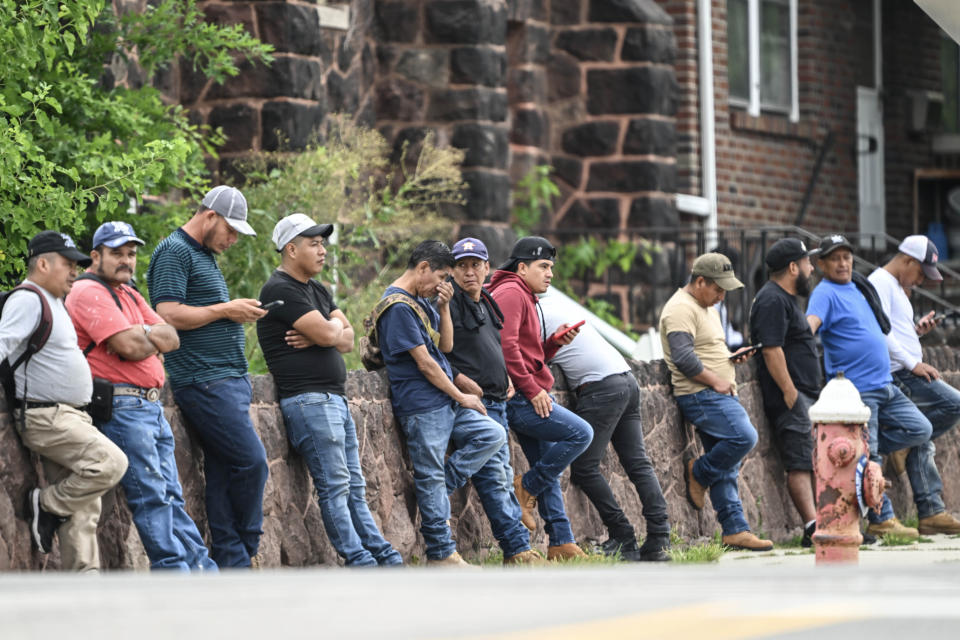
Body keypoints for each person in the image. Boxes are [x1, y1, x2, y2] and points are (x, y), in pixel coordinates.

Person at [66, 221, 217, 571]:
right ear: (95, 255)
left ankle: (203, 572)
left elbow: (173, 337)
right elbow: (130, 346)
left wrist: (147, 331)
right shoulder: (89, 292)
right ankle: (173, 571)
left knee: (172, 498)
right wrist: (150, 337)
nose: (126, 260)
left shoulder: (129, 294)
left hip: (149, 405)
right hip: (122, 406)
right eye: (116, 253)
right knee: (151, 496)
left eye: (131, 254)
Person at [257, 214, 403, 566]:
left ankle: (381, 555)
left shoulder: (318, 290)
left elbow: (351, 339)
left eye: (323, 243)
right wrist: (325, 335)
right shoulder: (280, 289)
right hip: (308, 401)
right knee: (335, 488)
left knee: (354, 486)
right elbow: (331, 336)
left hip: (333, 399)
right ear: (291, 249)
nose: (322, 250)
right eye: (314, 243)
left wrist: (326, 333)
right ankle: (359, 559)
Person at [147, 185, 269, 568]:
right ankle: (248, 546)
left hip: (226, 379)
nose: (233, 239)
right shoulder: (174, 251)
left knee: (221, 471)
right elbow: (167, 314)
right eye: (231, 230)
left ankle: (232, 561)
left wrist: (234, 311)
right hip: (203, 380)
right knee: (253, 462)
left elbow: (202, 309)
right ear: (210, 215)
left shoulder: (202, 253)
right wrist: (226, 310)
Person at [0, 231, 127, 572]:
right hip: (47, 418)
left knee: (84, 509)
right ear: (42, 263)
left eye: (76, 265)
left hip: (68, 416)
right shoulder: (28, 299)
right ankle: (48, 504)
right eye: (68, 264)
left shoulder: (53, 299)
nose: (75, 271)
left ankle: (84, 581)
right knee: (111, 463)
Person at [377, 240, 507, 566]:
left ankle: (436, 490)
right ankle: (441, 552)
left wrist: (445, 307)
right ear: (422, 268)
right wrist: (461, 394)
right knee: (429, 473)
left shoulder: (421, 302)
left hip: (443, 401)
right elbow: (426, 364)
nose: (443, 285)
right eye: (441, 277)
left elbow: (445, 347)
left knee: (492, 435)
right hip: (422, 405)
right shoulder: (397, 307)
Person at [806, 234, 931, 539]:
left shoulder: (859, 286)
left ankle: (860, 454)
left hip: (885, 383)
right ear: (821, 264)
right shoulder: (825, 293)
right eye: (835, 258)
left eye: (847, 257)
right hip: (859, 388)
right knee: (872, 455)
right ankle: (881, 518)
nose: (842, 263)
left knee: (921, 429)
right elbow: (808, 328)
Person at [540, 294, 671, 562]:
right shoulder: (555, 304)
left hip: (601, 387)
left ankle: (622, 535)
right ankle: (660, 539)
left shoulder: (533, 313)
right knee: (638, 464)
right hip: (627, 379)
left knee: (584, 468)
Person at [487, 236, 594, 561]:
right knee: (580, 434)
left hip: (528, 392)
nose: (550, 274)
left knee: (547, 466)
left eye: (551, 267)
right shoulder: (511, 293)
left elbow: (530, 354)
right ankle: (527, 486)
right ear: (522, 267)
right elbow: (507, 349)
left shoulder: (525, 295)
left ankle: (561, 541)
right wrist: (533, 391)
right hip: (520, 399)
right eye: (543, 266)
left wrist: (555, 344)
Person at [659, 252, 772, 551]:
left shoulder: (704, 305)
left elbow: (706, 349)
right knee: (744, 437)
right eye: (718, 289)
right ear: (699, 281)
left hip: (713, 392)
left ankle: (734, 529)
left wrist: (732, 357)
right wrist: (718, 381)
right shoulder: (680, 309)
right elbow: (683, 358)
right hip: (700, 395)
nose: (722, 296)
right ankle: (699, 472)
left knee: (728, 465)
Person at [444, 237, 541, 565]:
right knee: (497, 478)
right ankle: (517, 550)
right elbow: (436, 351)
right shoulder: (448, 303)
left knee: (500, 474)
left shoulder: (487, 300)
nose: (469, 272)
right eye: (462, 266)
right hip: (474, 405)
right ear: (453, 270)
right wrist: (459, 380)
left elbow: (495, 344)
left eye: (475, 265)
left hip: (500, 400)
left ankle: (517, 549)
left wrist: (508, 376)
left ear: (487, 267)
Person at [867, 235, 960, 534]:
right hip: (899, 374)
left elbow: (894, 330)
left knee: (923, 436)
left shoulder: (896, 286)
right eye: (920, 272)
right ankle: (900, 445)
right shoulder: (880, 282)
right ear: (907, 259)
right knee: (953, 405)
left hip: (905, 370)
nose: (920, 281)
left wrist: (916, 333)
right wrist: (912, 363)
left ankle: (931, 512)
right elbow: (880, 331)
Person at [748, 238, 819, 547]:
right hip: (792, 397)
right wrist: (790, 393)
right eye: (807, 263)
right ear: (793, 267)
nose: (811, 268)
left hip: (806, 394)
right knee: (800, 460)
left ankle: (827, 522)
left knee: (813, 458)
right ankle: (813, 527)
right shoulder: (772, 300)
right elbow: (772, 350)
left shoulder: (787, 299)